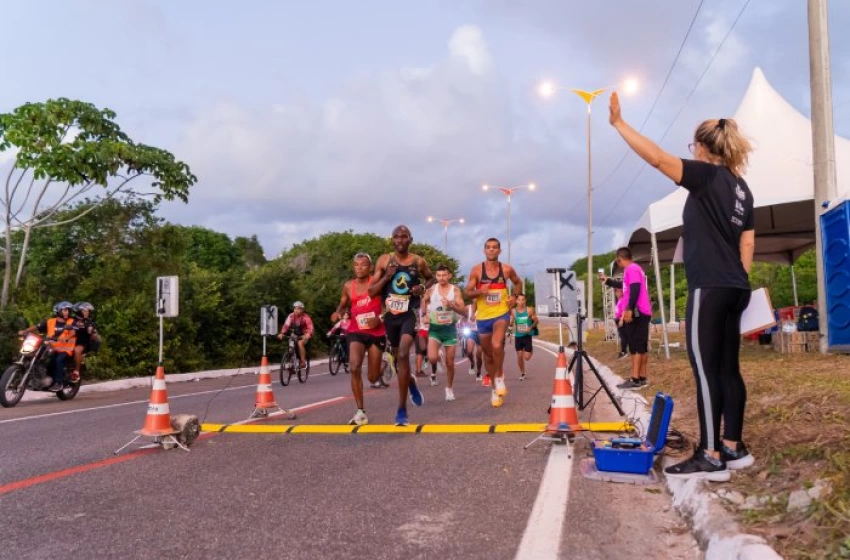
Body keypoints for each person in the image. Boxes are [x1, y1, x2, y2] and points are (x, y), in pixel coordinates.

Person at [610, 91, 756, 481]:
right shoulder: (742, 189)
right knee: (728, 369)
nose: (692, 153)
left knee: (706, 369)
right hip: (736, 287)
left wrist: (619, 124)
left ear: (704, 148)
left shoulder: (706, 176)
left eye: (693, 147)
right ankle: (732, 447)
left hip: (710, 286)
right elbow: (747, 242)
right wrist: (738, 278)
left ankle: (709, 455)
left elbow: (658, 158)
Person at [369, 225, 434, 426]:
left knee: (404, 354)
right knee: (399, 360)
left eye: (404, 236)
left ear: (410, 239)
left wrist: (421, 287)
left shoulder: (418, 261)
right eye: (396, 237)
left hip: (409, 314)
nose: (400, 240)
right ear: (392, 240)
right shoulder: (384, 260)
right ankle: (410, 382)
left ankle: (402, 410)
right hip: (390, 316)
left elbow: (431, 278)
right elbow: (371, 291)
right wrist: (387, 277)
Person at [465, 238, 523, 408]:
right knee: (488, 355)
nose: (491, 250)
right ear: (484, 250)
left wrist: (514, 297)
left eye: (494, 247)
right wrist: (479, 291)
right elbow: (468, 292)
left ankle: (498, 377)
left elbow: (518, 282)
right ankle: (493, 389)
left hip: (501, 314)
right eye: (488, 247)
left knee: (497, 345)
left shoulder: (506, 269)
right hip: (483, 317)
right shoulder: (477, 270)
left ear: (499, 250)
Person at [332, 253, 386, 426]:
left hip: (376, 332)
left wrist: (380, 318)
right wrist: (338, 312)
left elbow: (392, 303)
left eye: (363, 265)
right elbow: (343, 303)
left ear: (370, 267)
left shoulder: (378, 282)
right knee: (354, 367)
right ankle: (360, 412)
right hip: (356, 331)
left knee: (373, 378)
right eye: (356, 265)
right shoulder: (348, 286)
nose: (359, 268)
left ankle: (385, 364)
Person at [599, 248, 652, 389]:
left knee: (635, 346)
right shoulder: (634, 269)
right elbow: (623, 285)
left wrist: (629, 309)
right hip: (640, 311)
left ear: (619, 259)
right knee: (640, 346)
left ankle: (635, 379)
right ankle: (641, 377)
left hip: (637, 312)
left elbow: (635, 289)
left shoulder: (631, 269)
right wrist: (607, 281)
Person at [422, 265, 467, 401]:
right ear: (436, 276)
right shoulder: (431, 290)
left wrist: (452, 305)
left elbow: (463, 311)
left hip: (449, 329)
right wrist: (424, 315)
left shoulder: (455, 291)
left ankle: (449, 388)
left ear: (449, 276)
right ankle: (438, 357)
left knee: (450, 362)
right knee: (432, 358)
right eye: (439, 275)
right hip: (435, 329)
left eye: (444, 275)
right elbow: (423, 301)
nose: (441, 278)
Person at [19, 301, 77, 390]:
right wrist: (25, 331)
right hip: (51, 347)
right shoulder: (50, 321)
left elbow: (74, 331)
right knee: (37, 357)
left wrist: (67, 337)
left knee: (58, 360)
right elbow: (37, 327)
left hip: (65, 350)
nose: (67, 312)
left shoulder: (72, 322)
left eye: (68, 310)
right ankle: (36, 378)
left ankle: (59, 383)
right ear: (58, 311)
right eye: (65, 310)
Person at [510, 293, 538, 381]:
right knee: (519, 356)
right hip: (518, 336)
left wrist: (530, 327)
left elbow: (536, 321)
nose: (521, 302)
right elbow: (511, 322)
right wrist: (509, 331)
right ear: (516, 301)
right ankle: (522, 373)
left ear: (525, 301)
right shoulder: (513, 311)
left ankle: (531, 350)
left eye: (523, 300)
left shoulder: (529, 310)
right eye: (519, 300)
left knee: (527, 358)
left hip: (527, 336)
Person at [278, 301, 314, 370]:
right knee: (291, 341)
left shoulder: (306, 317)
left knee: (300, 343)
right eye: (295, 308)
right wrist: (282, 333)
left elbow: (310, 327)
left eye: (298, 309)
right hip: (296, 333)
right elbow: (286, 325)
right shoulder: (291, 316)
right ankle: (291, 359)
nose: (296, 310)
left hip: (304, 334)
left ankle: (303, 361)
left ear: (302, 310)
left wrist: (308, 334)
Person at [72, 301, 100, 383]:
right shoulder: (72, 320)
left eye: (88, 311)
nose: (87, 312)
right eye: (84, 311)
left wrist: (93, 333)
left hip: (82, 343)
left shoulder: (89, 322)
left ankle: (76, 372)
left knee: (77, 350)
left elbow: (94, 334)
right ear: (79, 311)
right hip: (68, 342)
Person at [613, 287, 628, 358]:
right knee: (622, 336)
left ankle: (624, 351)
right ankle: (623, 350)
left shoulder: (623, 300)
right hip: (618, 319)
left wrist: (621, 320)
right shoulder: (618, 300)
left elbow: (624, 310)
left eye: (619, 291)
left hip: (622, 320)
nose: (617, 293)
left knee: (623, 336)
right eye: (616, 292)